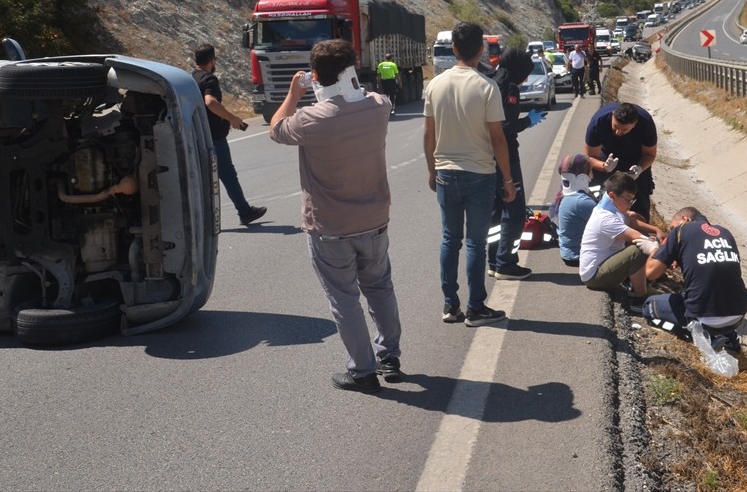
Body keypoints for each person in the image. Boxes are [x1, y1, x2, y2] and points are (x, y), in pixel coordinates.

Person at [269, 39, 401, 394]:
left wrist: (295, 95)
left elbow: (275, 128)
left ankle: (362, 370)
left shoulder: (310, 120)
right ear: (352, 69)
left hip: (330, 227)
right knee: (380, 287)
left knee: (344, 299)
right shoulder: (378, 107)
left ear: (315, 76)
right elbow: (368, 97)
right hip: (374, 219)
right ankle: (390, 355)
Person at [423, 21, 515, 327]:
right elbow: (497, 139)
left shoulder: (435, 85)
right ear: (481, 50)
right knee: (475, 242)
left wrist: (431, 169)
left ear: (454, 50)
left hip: (446, 172)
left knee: (450, 240)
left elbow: (428, 134)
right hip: (480, 174)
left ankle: (450, 305)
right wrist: (508, 179)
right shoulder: (487, 87)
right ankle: (476, 308)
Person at [642, 207, 747, 353]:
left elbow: (650, 272)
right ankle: (730, 339)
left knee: (649, 306)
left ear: (685, 220)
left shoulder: (681, 231)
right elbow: (711, 268)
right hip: (738, 313)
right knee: (718, 289)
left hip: (706, 319)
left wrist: (656, 249)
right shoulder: (725, 232)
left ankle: (703, 339)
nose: (672, 231)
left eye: (672, 227)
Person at [487, 49, 546, 280]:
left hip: (487, 156)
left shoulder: (492, 79)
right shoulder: (509, 87)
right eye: (526, 74)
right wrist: (527, 122)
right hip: (506, 156)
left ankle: (493, 261)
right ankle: (507, 263)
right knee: (515, 211)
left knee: (495, 213)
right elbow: (504, 127)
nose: (526, 80)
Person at [192, 43, 266, 225]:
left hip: (196, 135)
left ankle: (204, 219)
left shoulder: (190, 79)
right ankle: (244, 212)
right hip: (214, 138)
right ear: (212, 60)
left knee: (203, 178)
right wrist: (231, 118)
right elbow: (210, 102)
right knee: (227, 175)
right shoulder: (209, 79)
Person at [578, 173, 664, 306]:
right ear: (612, 195)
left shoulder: (611, 206)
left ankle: (639, 283)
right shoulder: (605, 217)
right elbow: (636, 236)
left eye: (632, 200)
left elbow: (630, 221)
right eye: (628, 199)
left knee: (642, 234)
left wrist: (656, 230)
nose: (630, 204)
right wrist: (659, 251)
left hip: (604, 264)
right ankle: (640, 299)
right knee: (639, 250)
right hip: (595, 276)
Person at [583, 101, 658, 221]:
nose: (618, 132)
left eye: (624, 129)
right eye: (615, 127)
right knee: (594, 193)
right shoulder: (599, 121)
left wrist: (639, 169)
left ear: (634, 124)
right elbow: (589, 157)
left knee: (640, 199)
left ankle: (639, 232)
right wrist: (604, 166)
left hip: (635, 159)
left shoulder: (646, 123)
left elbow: (650, 154)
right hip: (607, 157)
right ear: (612, 116)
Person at [551, 154, 596, 267]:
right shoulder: (582, 202)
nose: (592, 175)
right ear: (582, 176)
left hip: (568, 252)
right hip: (578, 256)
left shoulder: (564, 196)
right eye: (590, 170)